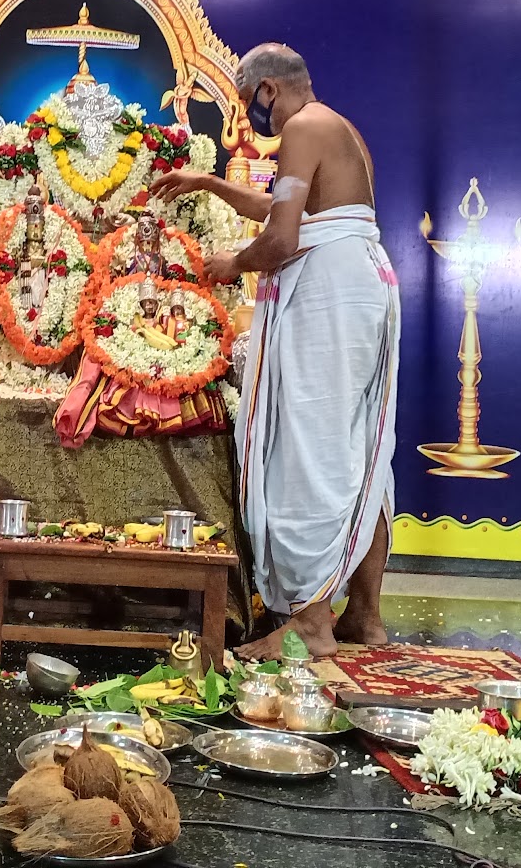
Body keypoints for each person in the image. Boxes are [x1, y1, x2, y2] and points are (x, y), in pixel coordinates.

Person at [150, 42, 399, 656]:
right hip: (362, 285)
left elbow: (282, 238)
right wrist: (207, 183)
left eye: (246, 103)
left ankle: (312, 621)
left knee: (313, 448)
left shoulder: (301, 127)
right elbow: (283, 207)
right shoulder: (340, 129)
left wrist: (232, 264)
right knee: (357, 446)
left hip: (331, 294)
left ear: (266, 91)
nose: (251, 119)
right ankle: (363, 618)